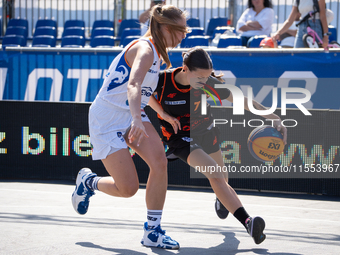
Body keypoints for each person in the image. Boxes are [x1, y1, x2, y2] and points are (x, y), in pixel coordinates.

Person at [71, 4, 187, 250]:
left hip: (132, 112)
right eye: (181, 31)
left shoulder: (157, 51)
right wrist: (136, 118)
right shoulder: (145, 49)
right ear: (166, 28)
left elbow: (145, 91)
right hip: (108, 117)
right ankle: (88, 181)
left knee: (160, 163)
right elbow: (133, 85)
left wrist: (162, 113)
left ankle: (152, 232)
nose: (184, 36)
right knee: (128, 189)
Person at [148, 47, 288, 245]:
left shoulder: (209, 84)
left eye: (207, 77)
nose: (204, 82)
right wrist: (162, 113)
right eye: (200, 77)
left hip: (206, 132)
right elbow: (141, 93)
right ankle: (248, 222)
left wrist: (274, 117)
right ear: (185, 69)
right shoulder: (162, 81)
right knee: (215, 174)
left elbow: (244, 101)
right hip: (179, 137)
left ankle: (221, 199)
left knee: (222, 180)